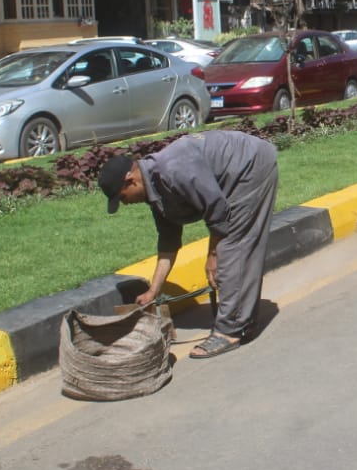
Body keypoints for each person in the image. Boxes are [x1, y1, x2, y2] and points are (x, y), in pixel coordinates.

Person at [99, 131, 279, 358]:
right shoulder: (155, 189)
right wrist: (154, 290)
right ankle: (242, 319)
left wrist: (213, 256)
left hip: (249, 166)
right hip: (234, 171)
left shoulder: (173, 170)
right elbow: (168, 241)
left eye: (123, 198)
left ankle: (232, 329)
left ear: (131, 180)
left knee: (233, 247)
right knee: (229, 246)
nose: (125, 204)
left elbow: (217, 210)